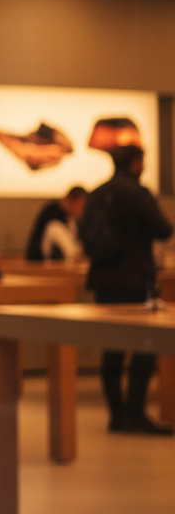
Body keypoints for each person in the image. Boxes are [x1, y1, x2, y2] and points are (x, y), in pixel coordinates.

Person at [79, 145, 174, 434]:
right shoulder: (137, 193)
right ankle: (136, 414)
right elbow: (162, 228)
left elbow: (83, 233)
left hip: (103, 279)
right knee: (144, 346)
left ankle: (117, 416)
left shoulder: (97, 193)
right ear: (136, 164)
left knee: (112, 347)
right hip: (134, 277)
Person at [26, 185, 87, 263]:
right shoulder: (53, 217)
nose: (83, 209)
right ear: (71, 200)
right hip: (40, 268)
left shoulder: (70, 219)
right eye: (82, 204)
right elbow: (72, 253)